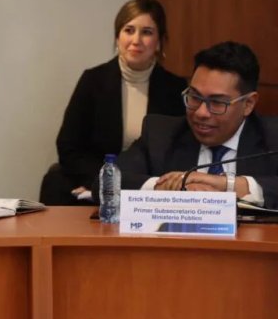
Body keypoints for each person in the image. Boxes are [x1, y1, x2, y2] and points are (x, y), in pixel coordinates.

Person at [40, 0, 186, 205]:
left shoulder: (175, 88)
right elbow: (68, 146)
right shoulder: (93, 80)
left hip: (150, 192)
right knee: (55, 182)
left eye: (147, 32)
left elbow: (179, 151)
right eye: (129, 30)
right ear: (117, 37)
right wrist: (102, 184)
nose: (136, 40)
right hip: (95, 184)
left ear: (159, 42)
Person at [113, 41, 278, 208]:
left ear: (248, 104)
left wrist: (226, 185)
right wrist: (171, 186)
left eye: (217, 102)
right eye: (195, 97)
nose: (201, 113)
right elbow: (106, 182)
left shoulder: (272, 137)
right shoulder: (161, 134)